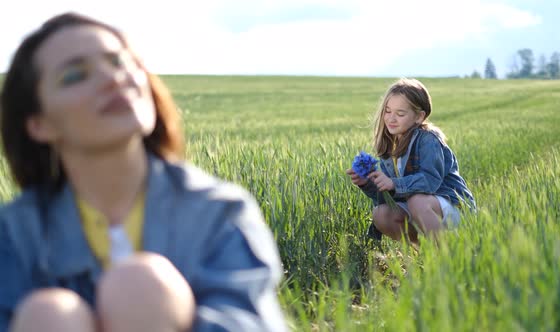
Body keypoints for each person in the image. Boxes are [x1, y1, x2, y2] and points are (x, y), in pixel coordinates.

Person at [0, 12, 286, 332]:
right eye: (75, 76)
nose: (112, 78)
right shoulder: (13, 235)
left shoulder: (218, 210)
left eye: (120, 62)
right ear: (39, 124)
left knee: (140, 287)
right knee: (48, 315)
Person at [346, 78, 475, 242]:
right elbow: (391, 197)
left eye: (400, 114)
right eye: (387, 111)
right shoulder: (390, 148)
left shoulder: (428, 140)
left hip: (453, 207)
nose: (391, 119)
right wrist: (367, 184)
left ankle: (446, 256)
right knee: (381, 213)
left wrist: (393, 183)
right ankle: (424, 252)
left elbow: (430, 182)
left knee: (416, 202)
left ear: (419, 117)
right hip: (421, 210)